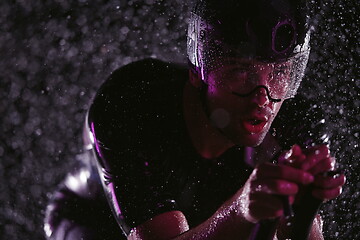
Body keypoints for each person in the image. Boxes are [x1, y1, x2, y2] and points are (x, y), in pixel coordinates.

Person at [44, 0, 346, 239]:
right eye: (241, 71)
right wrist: (242, 211)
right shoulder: (132, 103)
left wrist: (303, 210)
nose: (262, 98)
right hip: (92, 224)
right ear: (197, 71)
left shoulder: (297, 122)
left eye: (280, 72)